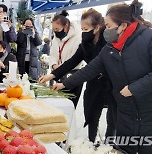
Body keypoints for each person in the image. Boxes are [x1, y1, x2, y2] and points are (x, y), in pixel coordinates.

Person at [48, 0, 152, 153]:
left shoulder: (151, 38)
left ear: (122, 26)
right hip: (125, 111)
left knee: (148, 148)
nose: (105, 30)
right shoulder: (110, 48)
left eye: (108, 26)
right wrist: (65, 84)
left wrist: (133, 89)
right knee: (124, 148)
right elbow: (90, 69)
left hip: (150, 111)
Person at [39, 9, 117, 143]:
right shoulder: (85, 44)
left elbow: (90, 68)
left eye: (86, 29)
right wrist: (51, 75)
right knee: (91, 113)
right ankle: (91, 141)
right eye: (82, 29)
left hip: (111, 83)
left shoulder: (107, 44)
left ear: (97, 27)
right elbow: (72, 62)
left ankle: (109, 144)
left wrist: (65, 83)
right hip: (93, 82)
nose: (83, 32)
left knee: (112, 117)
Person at [49, 10, 83, 108]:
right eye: (54, 29)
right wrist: (54, 65)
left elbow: (74, 60)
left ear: (66, 26)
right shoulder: (56, 38)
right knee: (58, 105)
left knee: (69, 105)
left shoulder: (78, 37)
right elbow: (53, 54)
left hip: (73, 75)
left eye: (57, 29)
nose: (55, 31)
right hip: (60, 73)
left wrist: (61, 68)